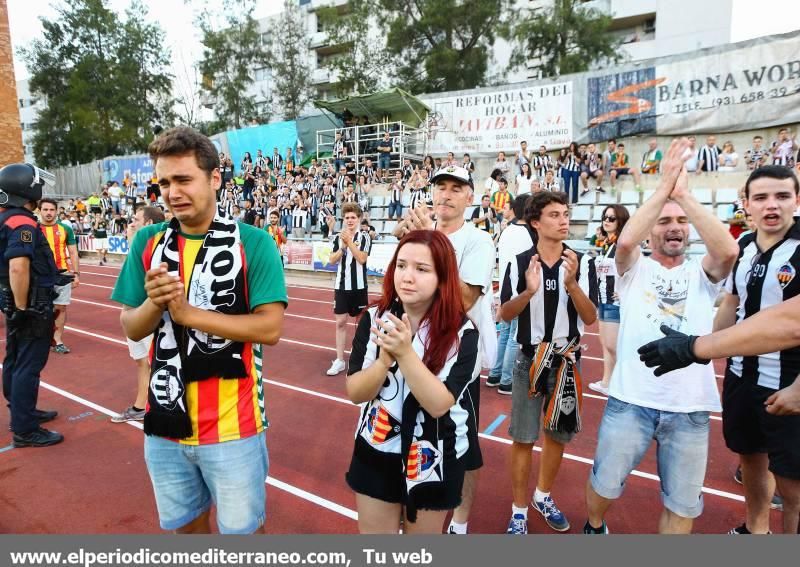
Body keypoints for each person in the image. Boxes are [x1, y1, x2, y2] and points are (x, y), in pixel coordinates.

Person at [111, 127, 287, 534]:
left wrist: (188, 314)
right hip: (165, 427)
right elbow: (130, 327)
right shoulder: (147, 242)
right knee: (187, 532)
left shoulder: (254, 243)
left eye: (184, 179)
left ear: (214, 179)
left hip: (234, 428)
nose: (172, 192)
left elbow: (270, 327)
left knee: (244, 537)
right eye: (164, 182)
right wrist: (154, 302)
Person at [584, 138, 739, 535]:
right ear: (652, 227)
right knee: (604, 485)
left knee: (682, 503)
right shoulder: (635, 269)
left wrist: (683, 195)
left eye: (681, 222)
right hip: (631, 401)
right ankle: (595, 524)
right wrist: (663, 189)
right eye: (664, 221)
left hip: (689, 409)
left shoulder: (700, 274)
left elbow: (728, 252)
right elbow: (625, 242)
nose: (674, 228)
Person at [642, 165, 800, 534]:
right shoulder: (743, 246)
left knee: (793, 491)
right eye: (760, 198)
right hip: (742, 379)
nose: (771, 205)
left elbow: (793, 324)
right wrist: (699, 355)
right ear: (746, 204)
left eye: (782, 196)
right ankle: (755, 529)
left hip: (789, 382)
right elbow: (731, 303)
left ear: (797, 199)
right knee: (752, 463)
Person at [345, 230, 480, 533]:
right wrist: (383, 361)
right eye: (402, 265)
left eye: (422, 269)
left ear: (443, 277)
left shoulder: (462, 333)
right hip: (376, 445)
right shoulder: (373, 318)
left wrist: (405, 353)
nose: (407, 277)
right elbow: (355, 392)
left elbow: (438, 404)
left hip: (435, 455)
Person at [394, 165, 496, 535]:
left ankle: (460, 525)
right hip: (410, 350)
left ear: (470, 197)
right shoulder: (423, 233)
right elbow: (398, 281)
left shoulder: (477, 241)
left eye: (457, 188)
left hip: (455, 362)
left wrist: (427, 245)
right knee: (404, 435)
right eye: (441, 187)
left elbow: (465, 298)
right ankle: (410, 512)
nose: (447, 195)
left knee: (462, 451)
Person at [500, 191, 597, 534]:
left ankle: (543, 495)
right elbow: (504, 313)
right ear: (536, 223)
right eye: (555, 215)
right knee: (524, 438)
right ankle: (518, 510)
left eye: (565, 213)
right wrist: (527, 293)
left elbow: (591, 317)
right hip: (530, 359)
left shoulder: (582, 262)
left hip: (567, 361)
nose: (564, 220)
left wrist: (571, 285)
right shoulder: (518, 262)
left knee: (557, 436)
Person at [0, 163, 68, 447]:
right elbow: (18, 267)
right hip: (31, 301)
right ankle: (25, 429)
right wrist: (22, 307)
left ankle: (22, 410)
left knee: (15, 358)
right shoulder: (22, 222)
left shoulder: (5, 218)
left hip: (15, 298)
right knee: (29, 363)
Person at [111, 206, 166, 423]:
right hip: (135, 312)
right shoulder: (138, 244)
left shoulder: (155, 245)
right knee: (142, 361)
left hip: (148, 315)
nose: (131, 224)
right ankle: (141, 405)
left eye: (136, 220)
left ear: (149, 224)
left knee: (155, 360)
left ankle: (155, 407)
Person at [487, 194, 534, 395]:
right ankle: (506, 380)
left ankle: (495, 374)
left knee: (505, 333)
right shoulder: (528, 234)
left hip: (505, 288)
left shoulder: (507, 231)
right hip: (518, 289)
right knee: (515, 335)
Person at [587, 205, 630, 396]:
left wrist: (625, 292)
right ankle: (607, 382)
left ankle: (623, 384)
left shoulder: (624, 245)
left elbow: (635, 270)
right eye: (605, 217)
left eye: (612, 218)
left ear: (621, 221)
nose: (606, 221)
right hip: (603, 300)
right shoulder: (608, 244)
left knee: (613, 346)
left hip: (615, 303)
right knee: (605, 344)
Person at [326, 203, 372, 376]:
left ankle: (361, 358)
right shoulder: (339, 237)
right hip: (341, 286)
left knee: (361, 324)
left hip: (359, 287)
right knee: (340, 322)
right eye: (347, 218)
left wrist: (349, 242)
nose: (350, 220)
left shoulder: (365, 237)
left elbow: (361, 258)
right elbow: (331, 260)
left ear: (359, 219)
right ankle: (339, 360)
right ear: (343, 219)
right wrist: (343, 247)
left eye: (353, 217)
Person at [38, 198, 80, 355]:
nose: (49, 213)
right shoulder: (33, 228)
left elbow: (74, 252)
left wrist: (76, 274)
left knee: (61, 307)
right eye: (45, 209)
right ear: (40, 211)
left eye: (51, 210)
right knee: (39, 308)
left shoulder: (65, 229)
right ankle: (41, 339)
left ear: (56, 211)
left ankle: (58, 340)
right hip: (40, 275)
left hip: (62, 273)